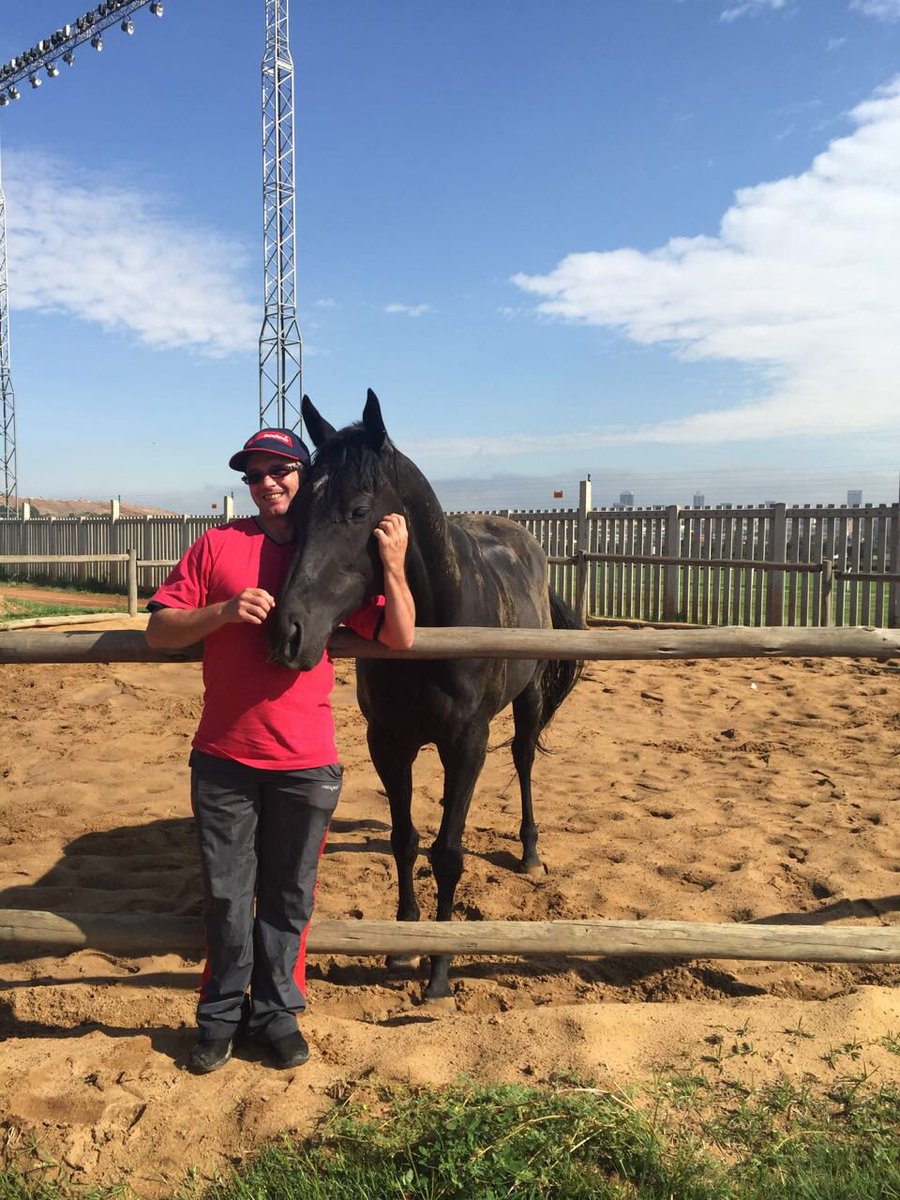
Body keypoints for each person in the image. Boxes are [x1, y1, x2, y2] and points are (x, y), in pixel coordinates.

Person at [145, 427, 415, 1074]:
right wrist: (223, 611)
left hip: (306, 762)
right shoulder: (218, 545)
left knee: (290, 897)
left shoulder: (331, 552)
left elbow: (399, 636)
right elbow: (158, 629)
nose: (267, 483)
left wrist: (397, 566)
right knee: (228, 896)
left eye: (280, 470)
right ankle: (219, 1018)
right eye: (255, 474)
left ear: (304, 475)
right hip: (223, 758)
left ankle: (276, 1015)